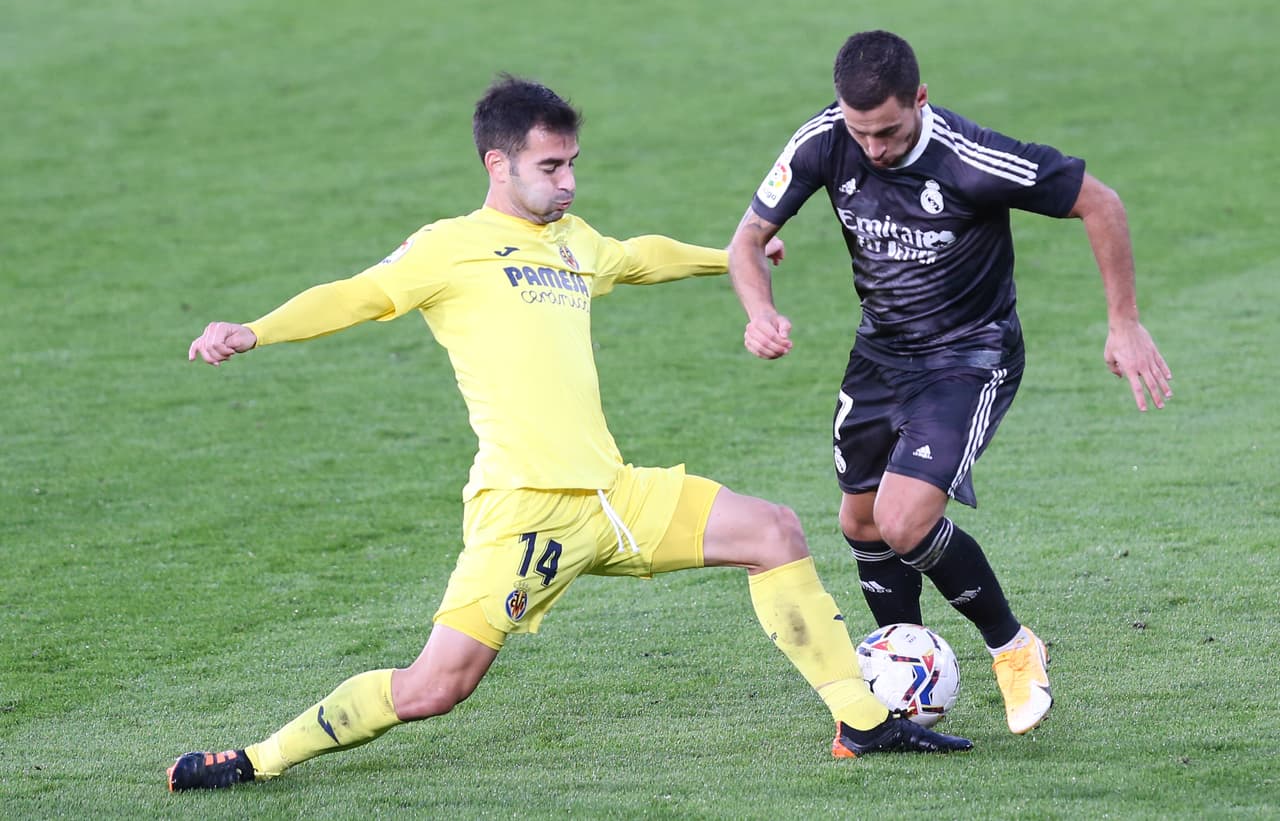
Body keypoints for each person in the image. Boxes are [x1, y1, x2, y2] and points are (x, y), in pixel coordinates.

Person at [169, 75, 972, 791]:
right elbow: (356, 294)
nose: (568, 181)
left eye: (572, 163)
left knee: (774, 531)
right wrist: (255, 330)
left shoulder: (572, 239)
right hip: (527, 509)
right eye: (551, 166)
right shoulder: (448, 247)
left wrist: (731, 252)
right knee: (434, 687)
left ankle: (863, 722)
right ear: (498, 163)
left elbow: (635, 257)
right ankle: (258, 758)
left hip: (614, 495)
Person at [727, 31, 1172, 736]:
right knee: (861, 522)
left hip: (970, 356)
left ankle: (1013, 648)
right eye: (860, 131)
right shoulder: (825, 140)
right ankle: (900, 689)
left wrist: (1124, 322)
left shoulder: (972, 160)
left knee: (904, 520)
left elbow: (1102, 203)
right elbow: (747, 239)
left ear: (921, 99)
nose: (873, 148)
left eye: (888, 131)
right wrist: (760, 312)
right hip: (881, 354)